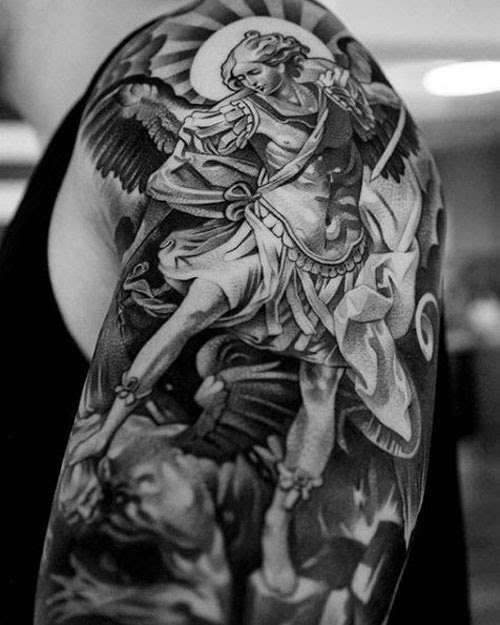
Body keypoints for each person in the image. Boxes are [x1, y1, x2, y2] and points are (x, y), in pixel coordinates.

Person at [0, 1, 470, 624]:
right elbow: (204, 131)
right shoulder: (228, 99)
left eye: (252, 73)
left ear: (280, 59)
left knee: (319, 387)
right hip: (267, 241)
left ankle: (280, 530)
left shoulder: (236, 31)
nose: (244, 83)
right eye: (238, 78)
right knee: (191, 321)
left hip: (332, 252)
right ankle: (112, 428)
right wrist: (180, 120)